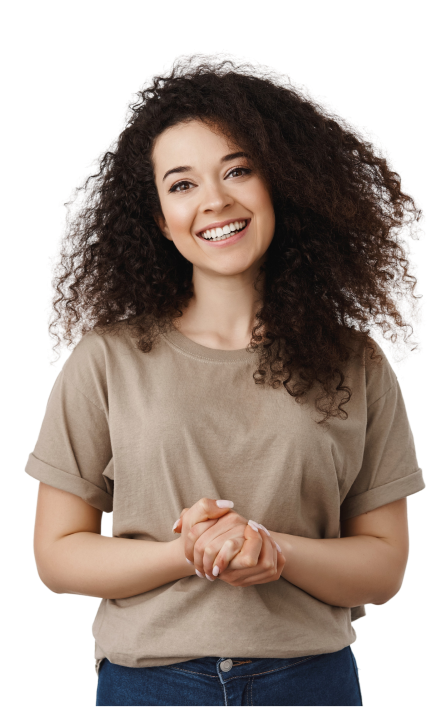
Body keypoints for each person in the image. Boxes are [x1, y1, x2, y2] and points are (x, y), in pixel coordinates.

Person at [27, 52, 426, 706]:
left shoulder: (356, 361)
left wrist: (274, 549)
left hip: (308, 682)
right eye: (181, 184)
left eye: (237, 169)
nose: (214, 200)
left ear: (280, 183)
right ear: (158, 217)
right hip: (149, 685)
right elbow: (57, 555)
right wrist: (192, 552)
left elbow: (382, 567)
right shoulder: (103, 360)